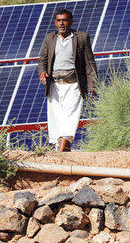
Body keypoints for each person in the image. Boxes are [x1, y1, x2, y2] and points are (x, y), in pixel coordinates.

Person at [39, 9, 98, 152]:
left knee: (70, 116)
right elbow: (43, 59)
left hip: (74, 85)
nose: (61, 23)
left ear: (70, 21)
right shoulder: (50, 38)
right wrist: (42, 72)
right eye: (58, 20)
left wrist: (92, 85)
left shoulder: (82, 38)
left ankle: (60, 152)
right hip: (55, 85)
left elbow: (90, 63)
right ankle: (64, 150)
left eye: (64, 20)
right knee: (57, 119)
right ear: (55, 22)